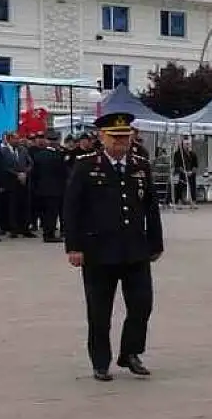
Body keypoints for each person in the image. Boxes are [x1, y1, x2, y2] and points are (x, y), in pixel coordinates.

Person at [64, 112, 163, 381]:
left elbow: (150, 208)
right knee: (99, 311)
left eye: (126, 137)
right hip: (98, 251)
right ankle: (100, 361)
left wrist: (156, 242)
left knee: (142, 304)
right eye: (115, 137)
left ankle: (130, 352)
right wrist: (73, 246)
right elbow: (72, 209)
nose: (122, 143)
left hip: (134, 249)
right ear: (102, 137)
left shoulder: (140, 165)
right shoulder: (86, 166)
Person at [30, 134, 69, 243]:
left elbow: (34, 173)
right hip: (55, 189)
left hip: (41, 189)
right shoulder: (59, 155)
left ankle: (46, 232)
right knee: (52, 213)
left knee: (45, 213)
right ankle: (49, 234)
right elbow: (63, 173)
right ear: (56, 141)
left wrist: (35, 187)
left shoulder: (39, 155)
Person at [173, 138, 199, 207]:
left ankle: (193, 201)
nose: (188, 146)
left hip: (191, 173)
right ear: (182, 145)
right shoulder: (178, 154)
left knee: (193, 185)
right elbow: (177, 165)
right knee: (180, 185)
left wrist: (192, 172)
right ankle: (179, 201)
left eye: (189, 144)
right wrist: (184, 172)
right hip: (182, 173)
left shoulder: (193, 154)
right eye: (186, 144)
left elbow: (195, 165)